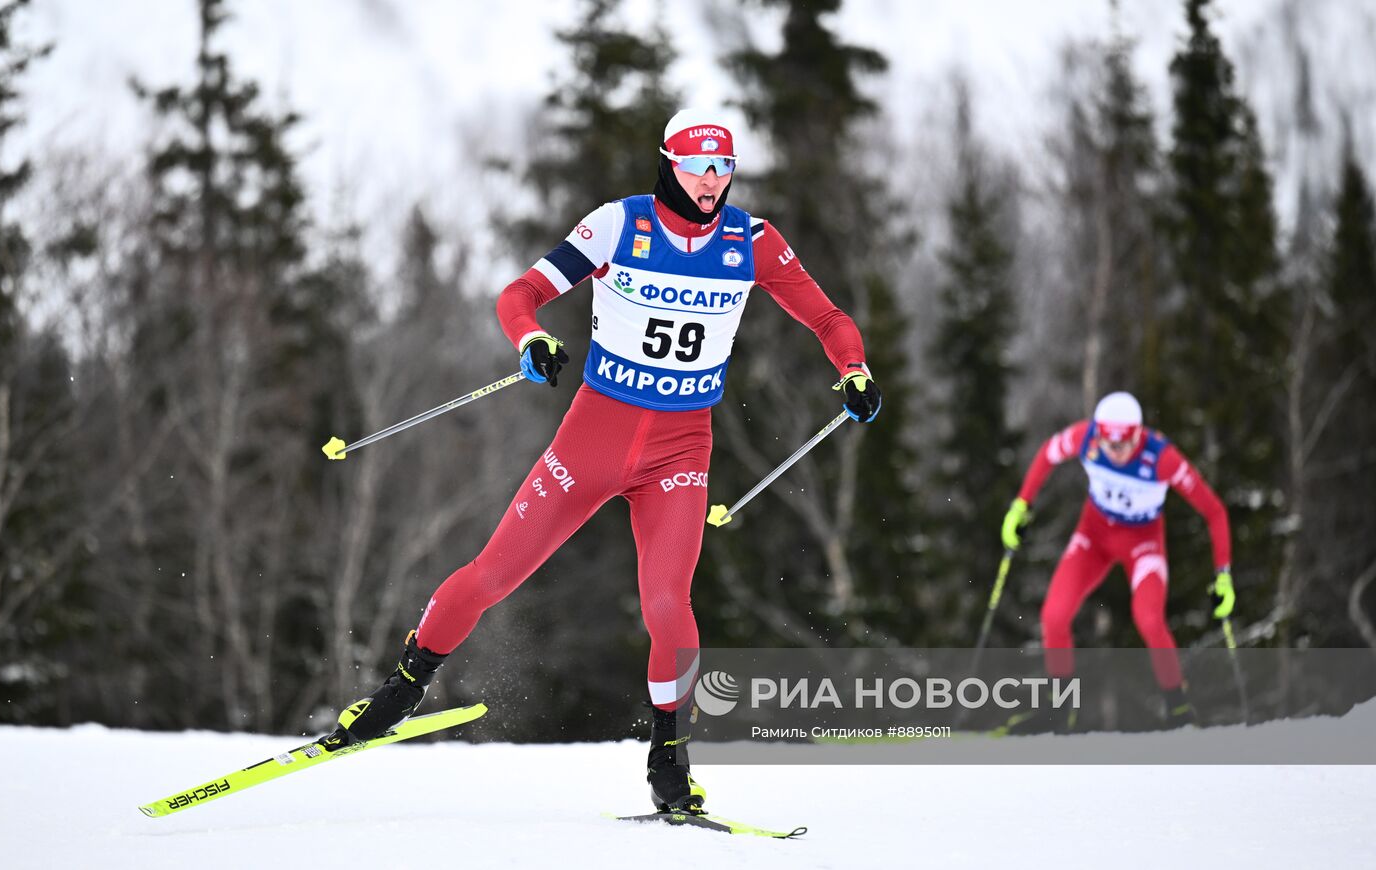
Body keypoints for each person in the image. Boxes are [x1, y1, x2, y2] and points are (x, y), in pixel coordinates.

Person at [320, 109, 882, 813]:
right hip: (594, 438)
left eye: (723, 167)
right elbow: (520, 294)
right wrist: (530, 338)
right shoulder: (620, 224)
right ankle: (400, 690)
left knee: (668, 604)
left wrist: (854, 370)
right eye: (696, 166)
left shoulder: (753, 241)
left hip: (681, 448)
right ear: (668, 164)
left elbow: (829, 319)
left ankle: (670, 760)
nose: (711, 181)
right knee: (492, 575)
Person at [999, 391, 1234, 728]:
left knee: (1149, 619)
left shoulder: (1161, 458)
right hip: (1093, 537)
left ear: (1138, 436)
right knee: (1053, 615)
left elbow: (1214, 511)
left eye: (1123, 446)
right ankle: (1060, 711)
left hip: (1142, 543)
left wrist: (1223, 574)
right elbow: (1048, 454)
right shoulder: (1086, 438)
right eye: (1109, 445)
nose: (1115, 453)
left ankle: (1178, 708)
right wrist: (1021, 505)